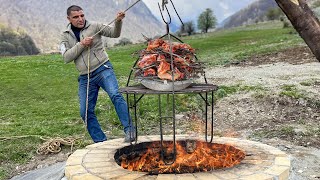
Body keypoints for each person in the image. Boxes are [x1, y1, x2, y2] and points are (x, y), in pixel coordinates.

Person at [60, 5, 135, 143]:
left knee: (116, 95)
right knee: (85, 111)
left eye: (82, 15)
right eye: (76, 17)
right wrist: (81, 44)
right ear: (69, 18)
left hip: (103, 68)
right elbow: (66, 57)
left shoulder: (94, 26)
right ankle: (100, 141)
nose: (80, 19)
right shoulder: (65, 35)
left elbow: (114, 33)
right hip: (85, 77)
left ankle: (130, 130)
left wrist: (118, 21)